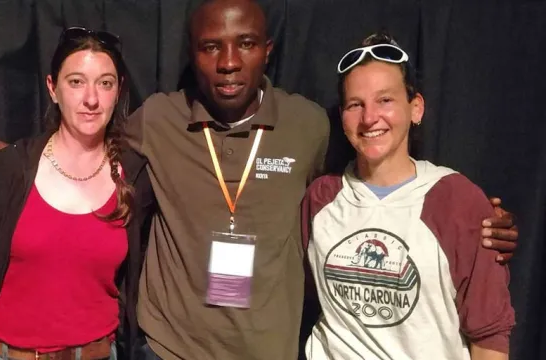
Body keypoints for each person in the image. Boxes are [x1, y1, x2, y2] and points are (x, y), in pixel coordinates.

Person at [124, 0, 519, 359]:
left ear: (267, 50)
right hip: (168, 349)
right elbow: (93, 164)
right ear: (192, 53)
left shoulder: (307, 125)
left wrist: (481, 229)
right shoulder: (159, 119)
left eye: (245, 43)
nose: (229, 61)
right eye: (211, 46)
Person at [301, 32, 514, 360]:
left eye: (385, 100)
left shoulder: (456, 199)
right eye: (355, 104)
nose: (369, 118)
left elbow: (490, 339)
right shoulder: (322, 197)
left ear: (416, 108)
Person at [0, 27, 154, 360]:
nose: (92, 99)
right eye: (76, 82)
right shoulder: (8, 169)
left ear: (119, 90)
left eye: (105, 83)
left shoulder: (135, 176)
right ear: (52, 88)